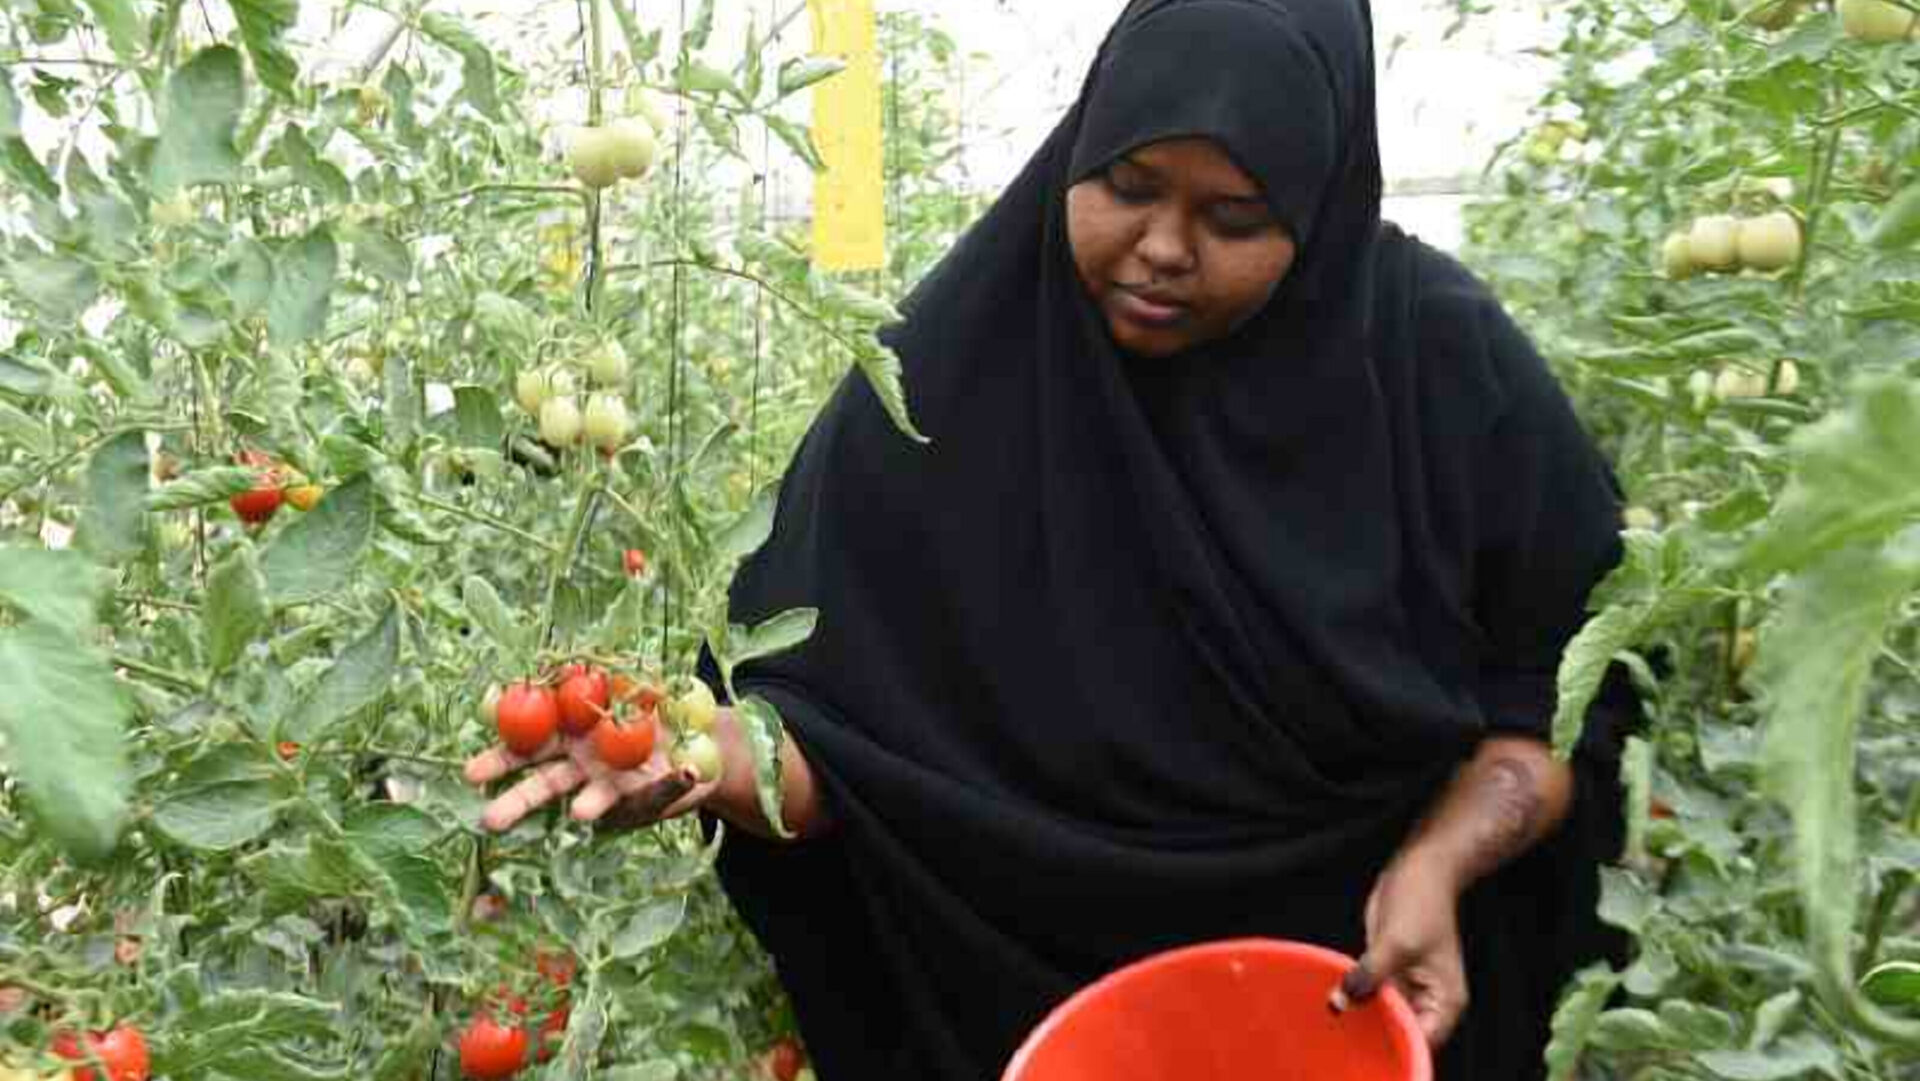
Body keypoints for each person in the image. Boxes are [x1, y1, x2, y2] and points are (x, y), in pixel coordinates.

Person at [462, 0, 1642, 1077]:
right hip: (1019, 1024)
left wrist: (1438, 860)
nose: (1166, 247)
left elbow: (1557, 705)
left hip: (1356, 1008)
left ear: (1323, 207)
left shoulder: (1441, 370)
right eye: (1128, 185)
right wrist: (708, 752)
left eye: (1236, 215)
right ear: (1075, 151)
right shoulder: (945, 393)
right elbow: (863, 776)